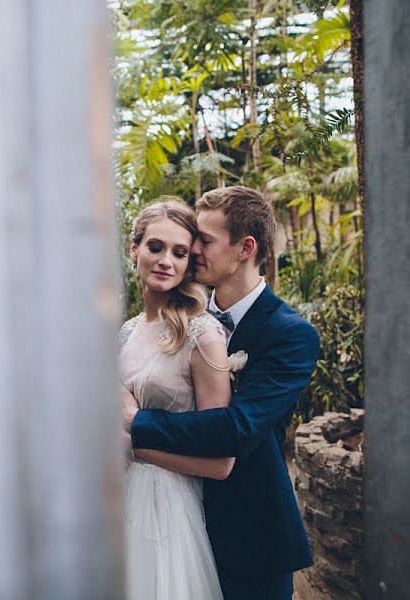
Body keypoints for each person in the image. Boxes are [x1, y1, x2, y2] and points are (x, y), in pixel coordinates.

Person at [123, 186, 320, 600]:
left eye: (204, 241)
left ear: (245, 248)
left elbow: (235, 429)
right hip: (168, 518)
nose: (192, 251)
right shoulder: (183, 318)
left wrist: (134, 425)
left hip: (248, 535)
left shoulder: (290, 335)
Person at [120, 199, 234, 600]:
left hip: (168, 510)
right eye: (155, 247)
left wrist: (136, 446)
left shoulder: (202, 335)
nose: (166, 260)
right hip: (118, 500)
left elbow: (220, 461)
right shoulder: (126, 332)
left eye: (179, 252)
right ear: (134, 250)